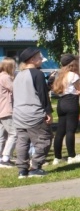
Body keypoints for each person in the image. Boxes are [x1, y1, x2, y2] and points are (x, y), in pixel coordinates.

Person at [13, 48, 53, 178]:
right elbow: (43, 95)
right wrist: (48, 112)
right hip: (34, 113)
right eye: (39, 57)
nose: (41, 59)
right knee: (44, 139)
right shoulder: (37, 74)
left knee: (22, 142)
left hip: (19, 114)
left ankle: (22, 170)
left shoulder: (18, 75)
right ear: (32, 60)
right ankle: (35, 166)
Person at [52, 54, 80, 165]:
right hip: (71, 102)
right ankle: (71, 156)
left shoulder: (60, 75)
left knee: (60, 132)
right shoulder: (72, 75)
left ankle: (57, 157)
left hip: (61, 103)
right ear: (73, 64)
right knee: (70, 130)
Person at [0, 57, 16, 168]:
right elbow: (15, 89)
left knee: (2, 136)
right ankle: (5, 158)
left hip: (1, 109)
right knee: (14, 133)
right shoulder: (6, 78)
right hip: (7, 109)